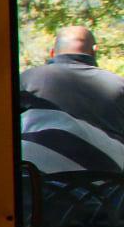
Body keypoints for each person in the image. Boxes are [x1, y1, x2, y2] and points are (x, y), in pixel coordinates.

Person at [18, 26, 124, 174]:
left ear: (52, 52)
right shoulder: (119, 85)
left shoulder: (25, 80)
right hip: (108, 183)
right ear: (94, 50)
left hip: (40, 182)